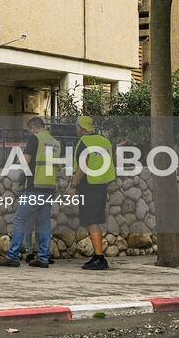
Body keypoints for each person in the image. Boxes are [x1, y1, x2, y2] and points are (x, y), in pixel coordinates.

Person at [0, 116, 61, 268]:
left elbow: (26, 161)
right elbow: (58, 167)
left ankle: (12, 256)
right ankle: (43, 258)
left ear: (33, 128)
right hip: (49, 188)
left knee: (19, 220)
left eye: (30, 130)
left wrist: (19, 175)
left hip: (35, 186)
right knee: (44, 224)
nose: (30, 132)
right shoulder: (56, 143)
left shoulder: (35, 139)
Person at [68, 115, 114, 269]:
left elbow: (83, 166)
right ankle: (97, 256)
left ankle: (99, 258)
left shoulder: (83, 142)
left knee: (91, 221)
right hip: (102, 185)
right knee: (94, 220)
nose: (76, 130)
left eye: (77, 127)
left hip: (89, 186)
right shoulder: (105, 141)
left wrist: (73, 185)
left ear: (81, 128)